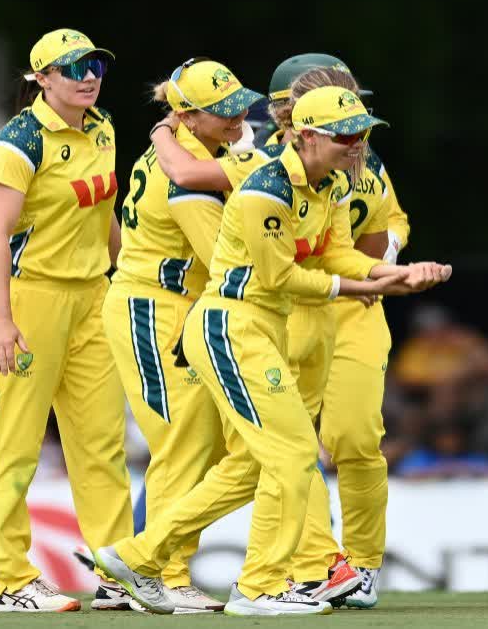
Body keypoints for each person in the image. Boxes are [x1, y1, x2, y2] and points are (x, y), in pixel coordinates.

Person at [94, 85, 451, 616]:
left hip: (257, 330)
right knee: (293, 455)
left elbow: (337, 253)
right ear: (306, 135)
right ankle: (259, 588)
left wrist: (392, 273)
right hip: (230, 329)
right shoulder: (267, 187)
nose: (358, 146)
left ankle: (137, 555)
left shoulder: (327, 185)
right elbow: (282, 276)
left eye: (363, 134)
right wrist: (374, 287)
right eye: (346, 136)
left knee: (252, 465)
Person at [150, 58, 412, 608]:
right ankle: (312, 565)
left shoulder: (359, 160)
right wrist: (162, 128)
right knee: (285, 448)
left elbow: (390, 222)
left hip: (352, 304)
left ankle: (358, 565)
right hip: (281, 309)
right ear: (290, 111)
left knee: (354, 439)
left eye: (357, 111)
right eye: (342, 112)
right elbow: (190, 185)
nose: (355, 126)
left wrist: (384, 264)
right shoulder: (264, 160)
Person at [100, 58, 267, 613]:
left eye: (238, 103)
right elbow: (223, 256)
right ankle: (161, 574)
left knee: (195, 444)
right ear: (187, 115)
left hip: (172, 308)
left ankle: (144, 569)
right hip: (154, 308)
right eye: (222, 111)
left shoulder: (194, 147)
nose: (238, 115)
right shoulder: (190, 170)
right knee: (183, 444)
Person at [0, 28, 133, 613]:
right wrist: (0, 319)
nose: (88, 76)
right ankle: (13, 582)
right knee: (15, 445)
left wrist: (130, 273)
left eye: (94, 64)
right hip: (28, 300)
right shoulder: (18, 143)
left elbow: (103, 213)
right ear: (41, 79)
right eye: (72, 69)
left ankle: (118, 575)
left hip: (93, 296)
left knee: (101, 444)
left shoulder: (104, 127)